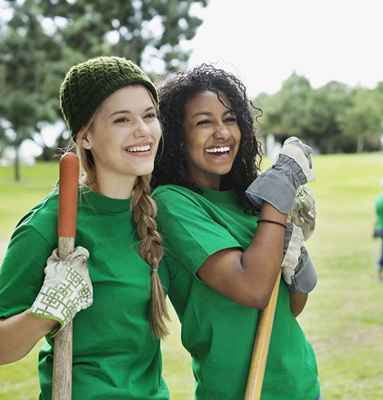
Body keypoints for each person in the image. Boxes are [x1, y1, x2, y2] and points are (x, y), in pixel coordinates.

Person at [0, 56, 170, 399]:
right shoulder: (48, 225)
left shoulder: (160, 211)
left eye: (149, 115)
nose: (142, 129)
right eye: (122, 119)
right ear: (86, 136)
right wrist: (46, 312)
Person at [151, 64, 320, 400]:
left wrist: (298, 268)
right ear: (177, 138)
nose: (222, 132)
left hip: (301, 385)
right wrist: (280, 193)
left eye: (230, 119)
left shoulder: (248, 201)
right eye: (203, 122)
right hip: (236, 392)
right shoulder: (172, 203)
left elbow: (288, 308)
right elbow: (252, 288)